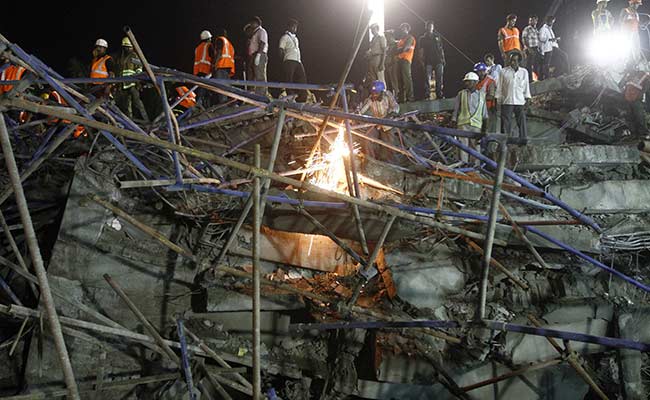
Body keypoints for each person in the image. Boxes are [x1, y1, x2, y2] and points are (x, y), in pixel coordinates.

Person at [357, 80, 399, 160]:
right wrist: (356, 112)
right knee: (367, 139)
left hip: (387, 125)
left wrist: (390, 115)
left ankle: (390, 162)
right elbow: (361, 111)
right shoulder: (370, 99)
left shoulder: (388, 95)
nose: (374, 95)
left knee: (388, 146)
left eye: (376, 93)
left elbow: (396, 107)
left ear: (382, 92)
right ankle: (371, 160)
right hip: (376, 124)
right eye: (373, 93)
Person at [452, 72, 488, 163]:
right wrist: (454, 122)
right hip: (463, 125)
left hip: (476, 126)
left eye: (469, 81)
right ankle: (464, 165)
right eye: (466, 81)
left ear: (475, 82)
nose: (466, 83)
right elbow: (456, 110)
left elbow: (485, 115)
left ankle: (475, 168)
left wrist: (484, 130)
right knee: (463, 148)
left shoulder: (482, 96)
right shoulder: (461, 94)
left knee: (476, 148)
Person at [496, 51, 531, 142]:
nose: (513, 62)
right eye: (511, 60)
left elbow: (526, 86)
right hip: (507, 101)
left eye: (515, 60)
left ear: (519, 61)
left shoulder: (524, 72)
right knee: (506, 122)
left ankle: (523, 139)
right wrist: (498, 100)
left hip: (520, 101)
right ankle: (505, 140)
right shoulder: (503, 71)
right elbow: (499, 87)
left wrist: (527, 98)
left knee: (521, 120)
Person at [115, 37, 149, 122]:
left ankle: (146, 121)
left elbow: (139, 69)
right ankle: (129, 122)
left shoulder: (134, 56)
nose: (129, 49)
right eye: (127, 47)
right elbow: (119, 71)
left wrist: (138, 80)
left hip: (132, 83)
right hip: (123, 84)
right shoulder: (120, 57)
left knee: (138, 103)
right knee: (127, 105)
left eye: (129, 47)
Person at [279, 19, 308, 102]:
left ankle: (302, 98)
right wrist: (283, 61)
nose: (295, 28)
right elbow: (280, 49)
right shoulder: (285, 37)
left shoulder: (296, 38)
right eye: (293, 26)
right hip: (289, 60)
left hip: (298, 60)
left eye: (296, 27)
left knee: (302, 78)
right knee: (289, 79)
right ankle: (290, 97)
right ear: (288, 27)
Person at [418, 20, 446, 100]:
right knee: (427, 78)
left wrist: (443, 59)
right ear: (426, 27)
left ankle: (439, 94)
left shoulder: (437, 36)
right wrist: (421, 61)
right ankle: (427, 95)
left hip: (438, 60)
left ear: (433, 27)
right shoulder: (422, 38)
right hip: (428, 60)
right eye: (428, 26)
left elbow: (441, 48)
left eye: (431, 26)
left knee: (439, 77)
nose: (430, 27)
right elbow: (421, 50)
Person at [622, 67, 650, 137]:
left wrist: (639, 97)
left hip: (636, 100)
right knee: (630, 117)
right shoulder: (629, 76)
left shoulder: (644, 75)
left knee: (639, 116)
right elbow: (625, 87)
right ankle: (634, 133)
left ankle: (643, 133)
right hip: (628, 99)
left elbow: (646, 88)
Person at [247, 16, 269, 96]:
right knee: (252, 75)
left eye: (252, 23)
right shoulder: (254, 33)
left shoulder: (261, 31)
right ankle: (253, 94)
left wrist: (258, 55)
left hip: (259, 54)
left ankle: (261, 95)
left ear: (257, 23)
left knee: (260, 75)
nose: (251, 24)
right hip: (253, 55)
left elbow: (262, 43)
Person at [213, 29, 236, 104]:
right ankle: (232, 102)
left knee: (221, 86)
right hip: (228, 67)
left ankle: (224, 104)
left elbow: (219, 53)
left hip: (221, 65)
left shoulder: (220, 40)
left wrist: (215, 65)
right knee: (227, 86)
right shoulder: (229, 43)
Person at [396, 22, 416, 103]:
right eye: (401, 29)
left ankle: (410, 98)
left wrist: (396, 51)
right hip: (399, 60)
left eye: (403, 28)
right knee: (400, 80)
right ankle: (401, 99)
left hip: (406, 60)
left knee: (407, 79)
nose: (402, 30)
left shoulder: (410, 38)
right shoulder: (401, 40)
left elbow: (405, 48)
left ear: (407, 29)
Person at [474, 62, 497, 133]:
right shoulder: (476, 82)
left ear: (484, 71)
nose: (479, 73)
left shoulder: (490, 81)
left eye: (480, 71)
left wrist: (479, 97)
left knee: (487, 128)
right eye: (478, 72)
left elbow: (491, 96)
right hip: (478, 108)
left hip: (488, 108)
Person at [538, 16, 560, 80]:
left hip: (551, 47)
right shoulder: (543, 29)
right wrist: (551, 39)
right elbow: (541, 38)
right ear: (548, 21)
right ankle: (545, 77)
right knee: (545, 64)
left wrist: (555, 40)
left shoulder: (549, 29)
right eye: (551, 21)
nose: (552, 23)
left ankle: (548, 76)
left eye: (553, 22)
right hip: (546, 48)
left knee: (548, 63)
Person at [521, 15, 541, 81]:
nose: (530, 22)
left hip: (536, 48)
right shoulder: (527, 29)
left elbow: (538, 40)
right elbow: (524, 38)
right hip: (530, 48)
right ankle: (529, 79)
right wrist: (528, 48)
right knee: (529, 64)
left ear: (536, 21)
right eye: (530, 20)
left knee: (537, 64)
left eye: (532, 20)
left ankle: (538, 78)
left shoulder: (536, 30)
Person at [384, 30, 400, 101]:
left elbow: (396, 55)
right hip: (386, 65)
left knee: (394, 82)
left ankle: (396, 97)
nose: (386, 37)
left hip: (393, 64)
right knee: (388, 82)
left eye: (387, 35)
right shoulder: (387, 45)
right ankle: (390, 98)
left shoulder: (396, 44)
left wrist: (393, 62)